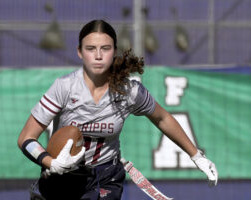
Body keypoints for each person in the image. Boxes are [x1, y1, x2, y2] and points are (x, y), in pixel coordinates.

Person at [17, 19, 218, 200]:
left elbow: (162, 118)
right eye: (90, 48)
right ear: (80, 52)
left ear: (114, 51)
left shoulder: (129, 90)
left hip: (107, 176)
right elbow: (26, 138)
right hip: (66, 177)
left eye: (105, 48)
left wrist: (196, 156)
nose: (98, 55)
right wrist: (51, 163)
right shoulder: (64, 87)